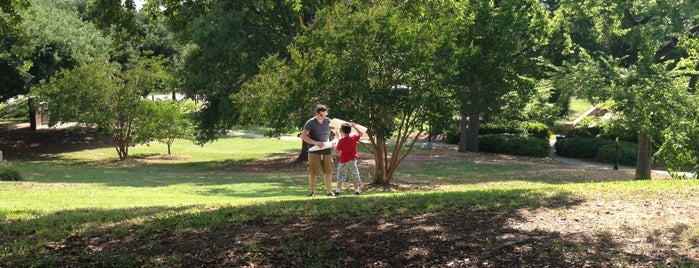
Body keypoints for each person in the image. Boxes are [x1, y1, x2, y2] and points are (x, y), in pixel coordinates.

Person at [301, 104, 339, 197]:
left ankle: (329, 192)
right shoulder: (310, 122)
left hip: (326, 149)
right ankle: (312, 192)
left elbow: (337, 133)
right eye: (321, 115)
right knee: (313, 172)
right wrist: (316, 143)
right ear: (317, 114)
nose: (324, 117)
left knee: (328, 171)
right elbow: (303, 136)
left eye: (325, 114)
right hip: (314, 150)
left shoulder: (328, 121)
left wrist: (336, 142)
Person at [334, 122, 364, 195]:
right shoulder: (353, 138)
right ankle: (357, 190)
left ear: (342, 131)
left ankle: (338, 191)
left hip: (343, 161)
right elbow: (361, 133)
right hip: (352, 160)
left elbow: (337, 152)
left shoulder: (341, 141)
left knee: (340, 175)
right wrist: (354, 127)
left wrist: (334, 146)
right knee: (354, 174)